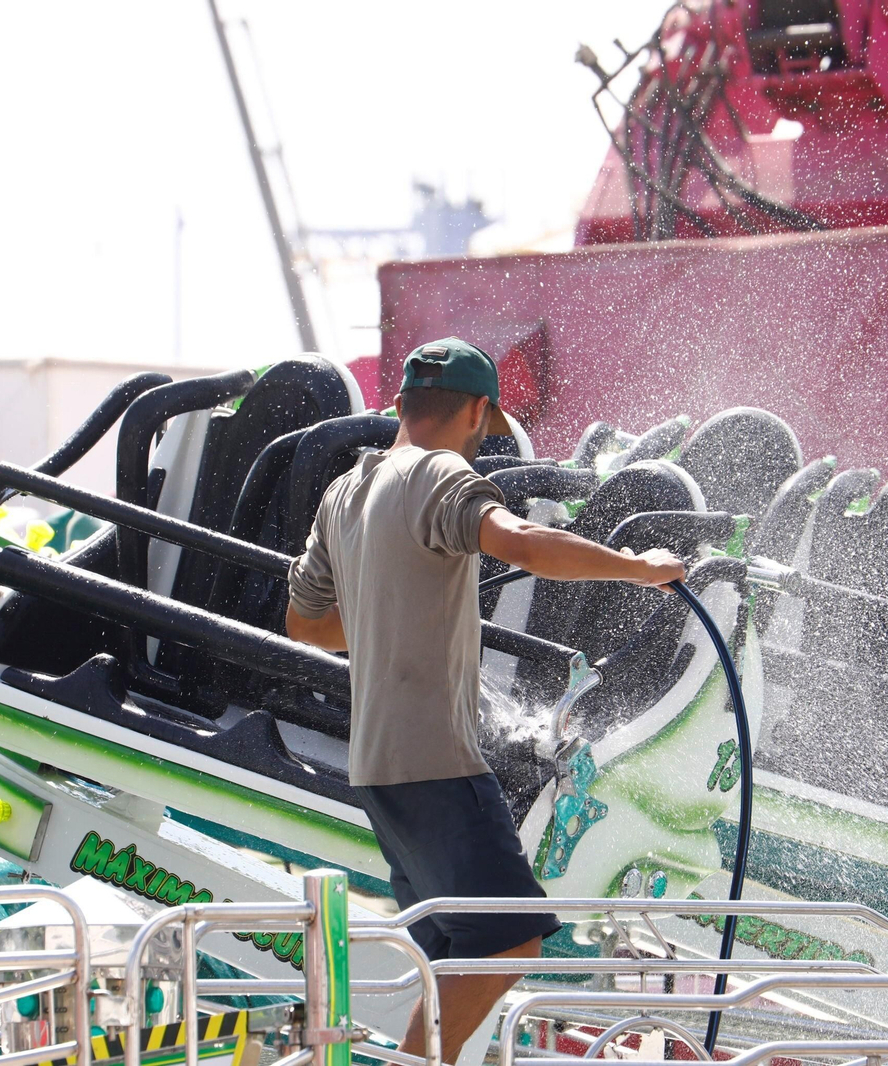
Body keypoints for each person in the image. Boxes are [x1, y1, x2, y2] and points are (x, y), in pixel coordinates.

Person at [285, 337, 686, 1061]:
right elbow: (525, 544)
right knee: (510, 933)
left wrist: (386, 609)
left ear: (402, 405)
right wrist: (640, 569)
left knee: (454, 946)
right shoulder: (442, 475)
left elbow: (306, 624)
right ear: (477, 412)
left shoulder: (345, 491)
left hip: (376, 766)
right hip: (436, 758)